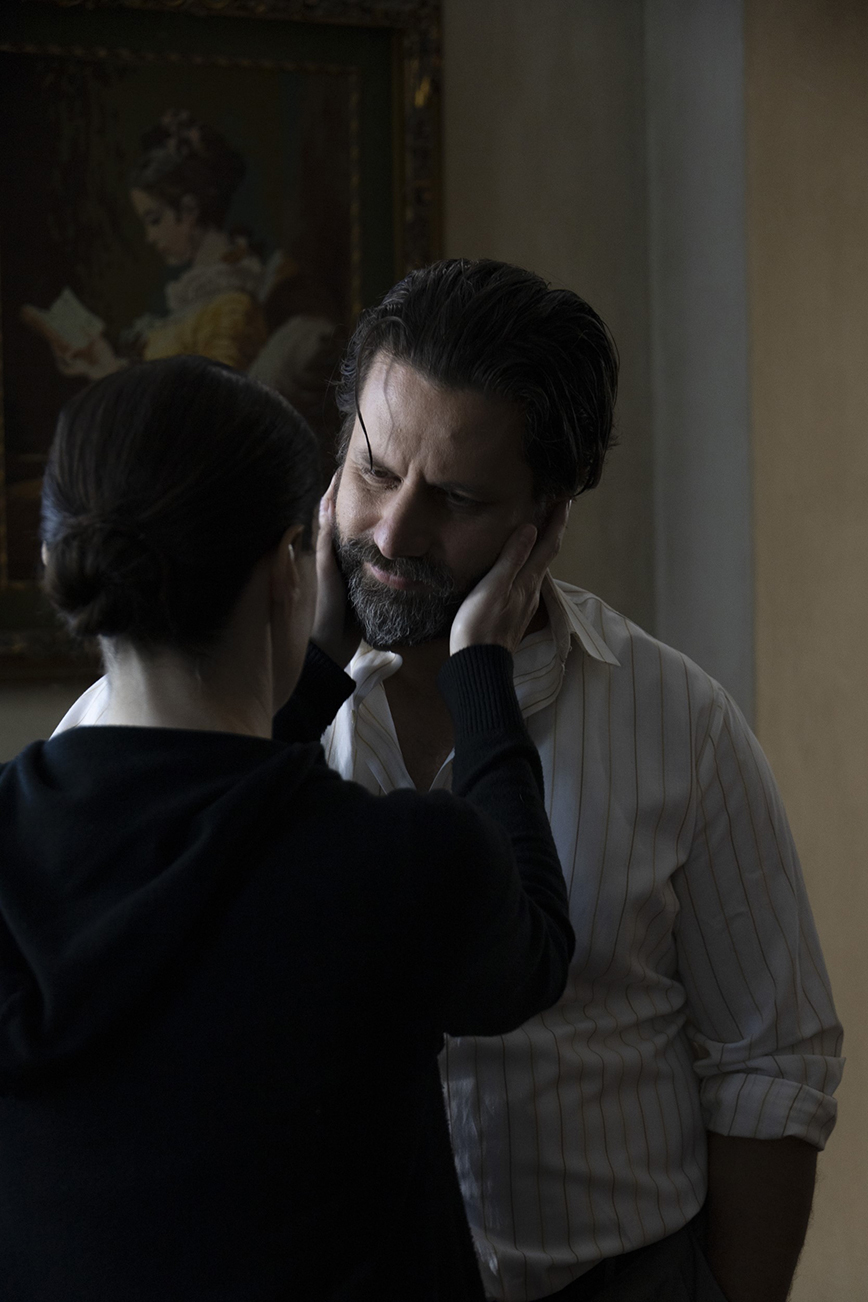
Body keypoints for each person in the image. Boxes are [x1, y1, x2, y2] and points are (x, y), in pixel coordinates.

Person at [55, 261, 844, 1302]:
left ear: (547, 512)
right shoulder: (136, 730)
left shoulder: (681, 723)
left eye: (457, 499)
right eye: (375, 471)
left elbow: (770, 1063)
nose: (393, 533)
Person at [0, 354, 575, 1301]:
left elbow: (211, 828)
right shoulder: (399, 865)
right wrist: (480, 675)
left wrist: (306, 672)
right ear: (283, 571)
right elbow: (536, 955)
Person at [33, 110, 337, 436]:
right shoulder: (202, 294)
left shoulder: (232, 305)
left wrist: (112, 373)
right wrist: (104, 364)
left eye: (154, 220)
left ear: (189, 211)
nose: (149, 237)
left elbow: (210, 418)